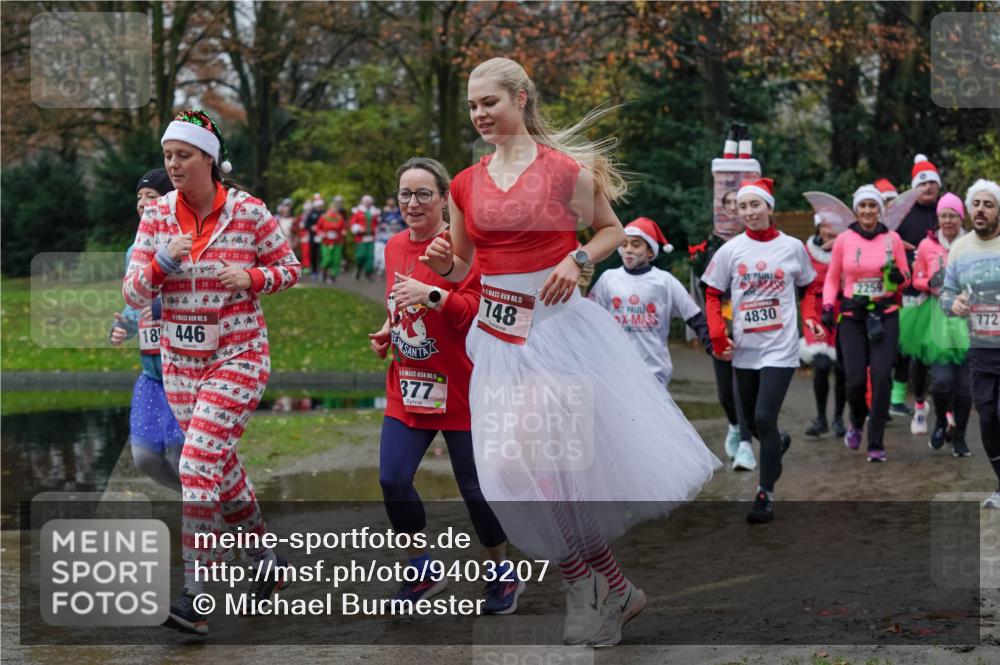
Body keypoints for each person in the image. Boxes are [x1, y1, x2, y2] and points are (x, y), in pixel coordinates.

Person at [420, 57, 719, 646]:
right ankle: (614, 586)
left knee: (548, 464)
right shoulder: (464, 184)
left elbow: (611, 230)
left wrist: (576, 258)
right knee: (518, 471)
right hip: (498, 341)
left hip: (558, 335)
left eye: (489, 102)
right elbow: (465, 268)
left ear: (520, 98)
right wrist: (443, 266)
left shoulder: (563, 171)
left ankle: (584, 587)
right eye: (472, 105)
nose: (479, 114)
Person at [123, 109, 301, 635]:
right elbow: (132, 292)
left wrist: (251, 277)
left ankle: (198, 592)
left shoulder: (248, 212)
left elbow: (290, 269)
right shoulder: (157, 217)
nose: (173, 165)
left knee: (198, 461)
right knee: (219, 469)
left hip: (238, 356)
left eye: (183, 155)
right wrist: (162, 262)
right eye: (168, 156)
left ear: (209, 159)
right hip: (180, 366)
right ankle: (266, 560)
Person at [368, 156, 521, 614]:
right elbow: (400, 300)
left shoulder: (462, 249)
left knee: (475, 488)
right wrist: (389, 328)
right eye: (405, 194)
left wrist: (432, 296)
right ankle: (422, 570)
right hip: (409, 382)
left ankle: (502, 573)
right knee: (392, 478)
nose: (412, 203)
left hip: (462, 387)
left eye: (423, 194)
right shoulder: (395, 245)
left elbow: (476, 310)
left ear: (443, 200)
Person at [702, 177, 820, 523]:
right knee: (753, 421)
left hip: (780, 348)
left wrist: (810, 318)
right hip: (745, 349)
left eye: (755, 205)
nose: (750, 212)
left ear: (769, 207)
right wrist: (717, 334)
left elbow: (809, 287)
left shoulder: (792, 247)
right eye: (743, 207)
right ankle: (777, 442)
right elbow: (712, 293)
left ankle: (764, 494)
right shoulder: (731, 250)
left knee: (765, 417)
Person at [822, 185, 910, 462]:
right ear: (856, 209)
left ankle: (876, 442)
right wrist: (827, 306)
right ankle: (857, 421)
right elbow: (832, 278)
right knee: (855, 380)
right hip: (853, 316)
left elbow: (905, 275)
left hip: (885, 314)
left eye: (873, 206)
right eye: (863, 206)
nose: (868, 211)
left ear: (879, 210)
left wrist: (898, 278)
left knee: (882, 378)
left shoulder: (893, 239)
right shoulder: (844, 240)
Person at [109, 168, 184, 492]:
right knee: (144, 457)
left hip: (185, 373)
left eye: (150, 196)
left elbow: (197, 301)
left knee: (184, 458)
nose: (142, 202)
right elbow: (134, 301)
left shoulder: (185, 244)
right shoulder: (134, 250)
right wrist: (123, 326)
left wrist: (155, 309)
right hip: (152, 376)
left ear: (168, 202)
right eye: (139, 196)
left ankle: (209, 510)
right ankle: (205, 503)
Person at [589, 216, 711, 388]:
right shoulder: (608, 279)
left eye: (636, 245)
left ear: (650, 252)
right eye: (624, 244)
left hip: (654, 371)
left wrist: (713, 345)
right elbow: (590, 317)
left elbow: (693, 315)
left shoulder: (664, 281)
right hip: (616, 370)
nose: (628, 250)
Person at [940, 180, 1000, 507]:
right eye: (976, 204)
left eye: (988, 204)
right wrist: (954, 304)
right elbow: (946, 294)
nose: (980, 209)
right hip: (980, 348)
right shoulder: (960, 249)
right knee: (987, 416)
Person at [902, 192, 971, 456]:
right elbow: (916, 279)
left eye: (953, 215)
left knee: (965, 386)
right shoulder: (927, 245)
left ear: (961, 217)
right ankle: (941, 421)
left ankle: (960, 437)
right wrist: (929, 282)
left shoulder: (973, 243)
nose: (948, 220)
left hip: (968, 316)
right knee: (942, 381)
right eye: (944, 215)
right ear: (938, 218)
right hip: (937, 315)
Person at [689, 189, 754, 466]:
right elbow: (701, 284)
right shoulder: (709, 245)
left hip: (748, 321)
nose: (734, 209)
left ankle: (746, 443)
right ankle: (735, 425)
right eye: (729, 204)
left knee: (743, 386)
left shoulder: (754, 242)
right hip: (719, 321)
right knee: (725, 391)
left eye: (739, 204)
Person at [891, 156, 942, 426]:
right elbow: (890, 248)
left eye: (932, 183)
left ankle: (945, 402)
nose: (927, 188)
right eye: (922, 184)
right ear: (913, 189)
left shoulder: (947, 212)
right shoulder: (904, 216)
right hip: (912, 291)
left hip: (943, 292)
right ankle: (899, 399)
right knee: (910, 349)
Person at [801, 215, 847, 437]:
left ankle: (838, 418)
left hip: (841, 308)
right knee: (821, 364)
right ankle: (821, 418)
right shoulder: (806, 251)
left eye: (835, 228)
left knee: (842, 367)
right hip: (815, 311)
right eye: (827, 227)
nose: (830, 232)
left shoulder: (847, 249)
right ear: (818, 228)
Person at [315, 202, 346, 283]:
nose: (334, 209)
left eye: (335, 208)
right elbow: (318, 228)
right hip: (326, 242)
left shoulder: (340, 217)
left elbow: (343, 227)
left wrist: (343, 231)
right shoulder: (324, 217)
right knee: (327, 259)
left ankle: (333, 276)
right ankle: (323, 272)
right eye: (332, 208)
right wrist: (321, 234)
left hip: (337, 242)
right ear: (329, 208)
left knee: (336, 260)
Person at [351, 194, 379, 280]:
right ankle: (358, 267)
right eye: (366, 202)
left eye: (369, 202)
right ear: (362, 202)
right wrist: (358, 229)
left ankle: (368, 272)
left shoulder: (374, 212)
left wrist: (376, 231)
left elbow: (377, 223)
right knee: (360, 255)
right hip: (361, 237)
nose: (367, 203)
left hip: (371, 237)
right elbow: (353, 223)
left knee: (370, 256)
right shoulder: (358, 212)